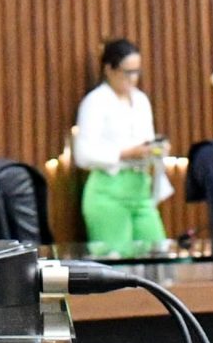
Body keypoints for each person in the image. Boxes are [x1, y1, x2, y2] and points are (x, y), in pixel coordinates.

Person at [73, 38, 170, 250]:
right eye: (127, 72)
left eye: (136, 72)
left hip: (140, 188)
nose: (132, 79)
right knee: (118, 261)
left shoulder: (141, 100)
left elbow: (146, 139)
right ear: (109, 69)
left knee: (158, 250)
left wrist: (155, 149)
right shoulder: (95, 101)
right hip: (109, 190)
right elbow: (83, 154)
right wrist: (126, 153)